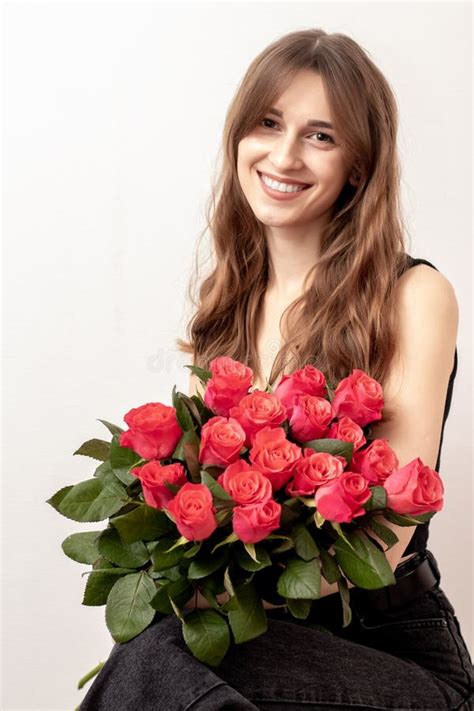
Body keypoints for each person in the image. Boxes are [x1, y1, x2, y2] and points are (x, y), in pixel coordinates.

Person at [79, 28, 473, 710]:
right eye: (269, 123)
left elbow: (387, 533)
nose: (284, 155)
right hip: (267, 632)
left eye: (320, 135)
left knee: (161, 646)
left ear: (357, 164)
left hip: (391, 650)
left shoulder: (414, 295)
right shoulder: (229, 304)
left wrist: (201, 587)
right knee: (160, 647)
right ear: (240, 136)